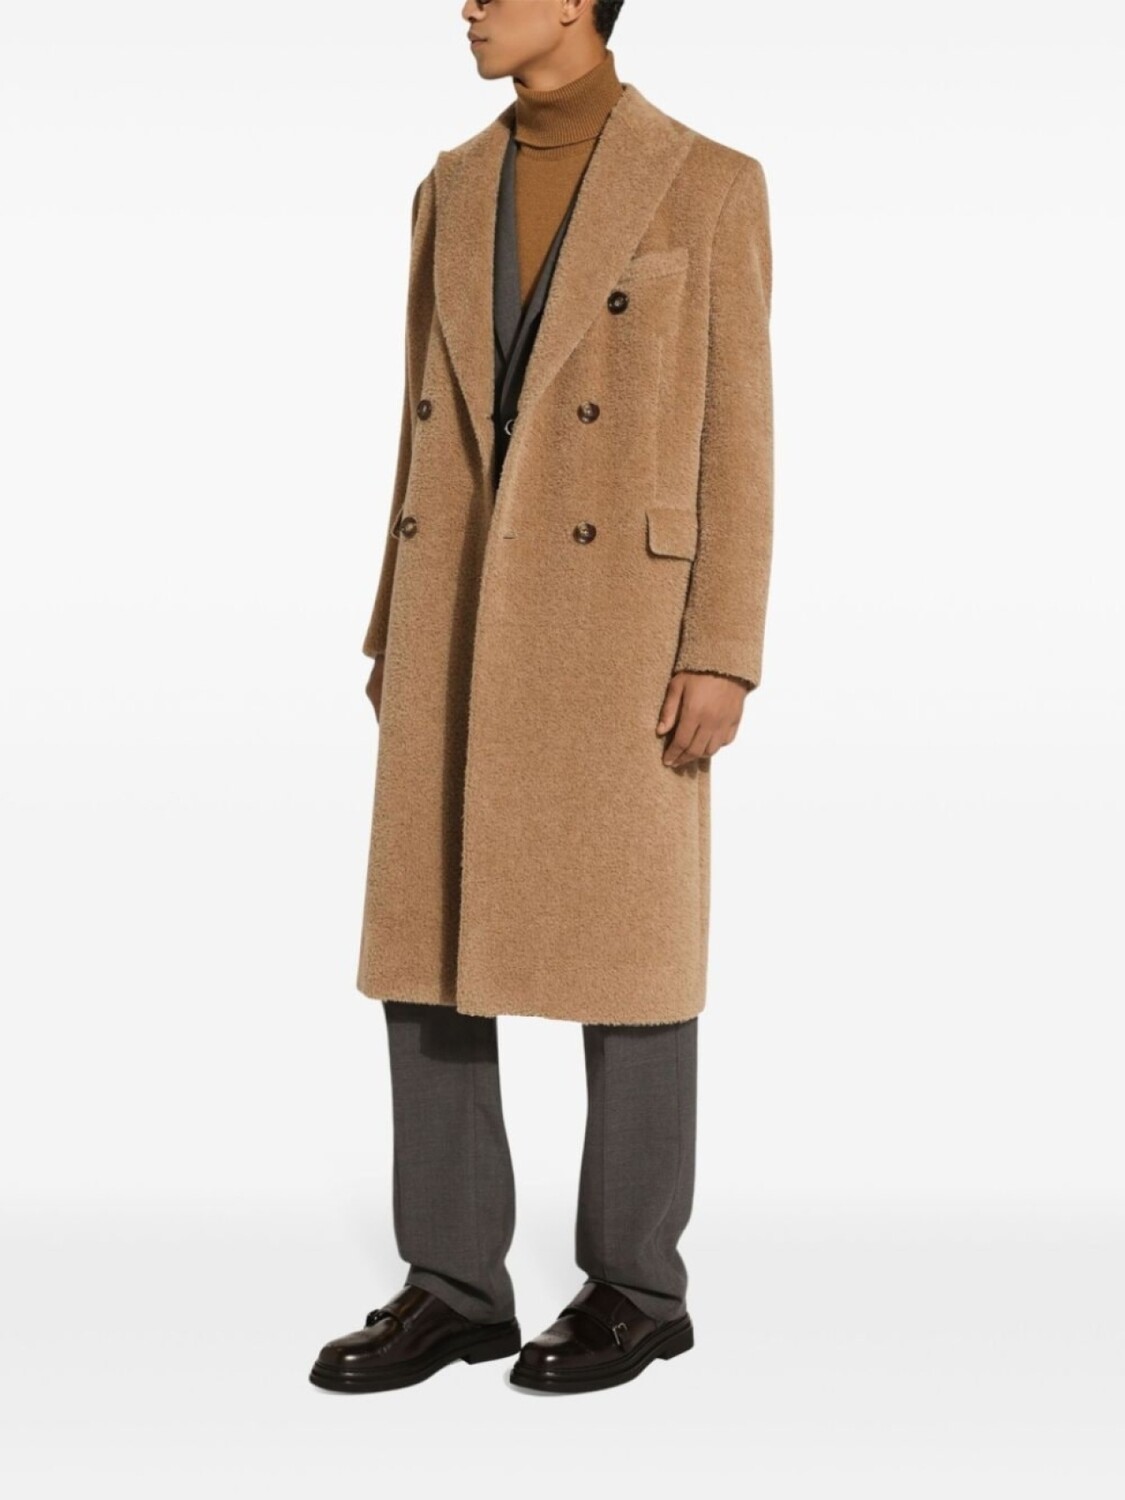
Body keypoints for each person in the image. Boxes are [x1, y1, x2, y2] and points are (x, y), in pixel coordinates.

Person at [309, 0, 773, 1396]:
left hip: (619, 626)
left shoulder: (708, 180)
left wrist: (722, 645)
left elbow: (741, 431)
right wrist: (392, 625)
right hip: (451, 607)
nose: (465, 3)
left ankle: (637, 1287)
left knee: (629, 954)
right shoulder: (448, 185)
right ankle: (455, 1287)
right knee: (426, 947)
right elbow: (418, 423)